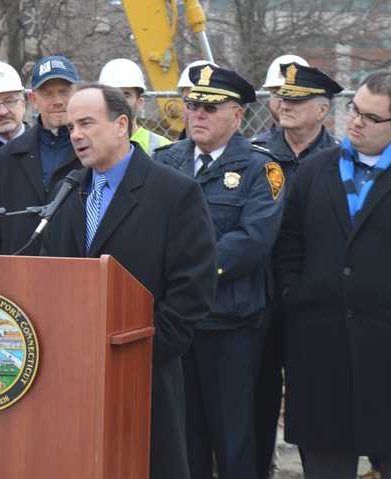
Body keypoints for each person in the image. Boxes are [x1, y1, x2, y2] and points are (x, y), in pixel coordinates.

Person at [274, 70, 391, 479]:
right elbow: (289, 244)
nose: (355, 121)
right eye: (354, 110)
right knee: (325, 462)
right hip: (323, 345)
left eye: (370, 118)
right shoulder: (315, 171)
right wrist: (295, 294)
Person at [42, 82, 217, 479]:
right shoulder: (67, 190)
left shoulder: (175, 193)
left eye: (87, 123)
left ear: (122, 125)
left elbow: (193, 289)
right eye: (71, 127)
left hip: (145, 377)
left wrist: (141, 351)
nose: (76, 135)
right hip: (72, 376)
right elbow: (49, 273)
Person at [154, 64, 285, 479]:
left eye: (211, 107)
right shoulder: (165, 161)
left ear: (239, 115)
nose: (198, 114)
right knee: (182, 434)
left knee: (234, 439)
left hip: (230, 323)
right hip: (176, 323)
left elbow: (251, 242)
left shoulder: (262, 169)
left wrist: (187, 272)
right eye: (193, 105)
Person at [251, 62, 342, 479]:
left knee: (317, 406)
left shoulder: (342, 161)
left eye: (297, 99)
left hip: (314, 301)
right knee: (256, 401)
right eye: (283, 97)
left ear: (323, 110)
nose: (285, 104)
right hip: (259, 297)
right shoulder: (255, 154)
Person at [0, 55, 82, 255]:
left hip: (76, 274)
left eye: (64, 92)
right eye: (47, 93)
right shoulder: (7, 157)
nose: (57, 101)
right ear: (33, 99)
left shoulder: (92, 153)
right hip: (18, 275)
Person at [98, 58, 171, 155]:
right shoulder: (89, 143)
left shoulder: (162, 147)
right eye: (112, 94)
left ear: (140, 103)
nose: (119, 100)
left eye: (126, 94)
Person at [261, 54, 309, 129]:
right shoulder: (258, 141)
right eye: (276, 92)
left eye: (291, 93)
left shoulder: (328, 141)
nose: (283, 103)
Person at [176, 60, 216, 140]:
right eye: (192, 104)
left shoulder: (242, 152)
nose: (199, 113)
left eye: (208, 106)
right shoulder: (168, 152)